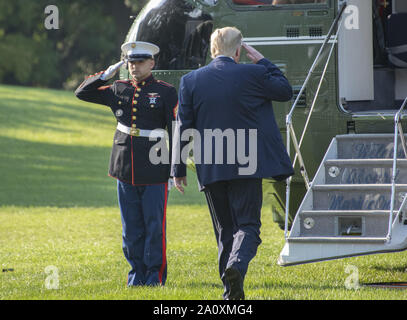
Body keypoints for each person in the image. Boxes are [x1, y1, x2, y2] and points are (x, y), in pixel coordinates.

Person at [171, 27, 294, 300]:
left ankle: (231, 296)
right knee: (248, 227)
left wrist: (177, 170)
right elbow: (285, 91)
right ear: (238, 50)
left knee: (225, 231)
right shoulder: (254, 73)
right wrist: (262, 61)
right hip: (246, 162)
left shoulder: (190, 80)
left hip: (211, 166)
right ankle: (236, 266)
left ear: (212, 50)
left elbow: (183, 127)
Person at [75, 41, 178, 287]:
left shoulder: (165, 91)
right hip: (124, 166)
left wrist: (176, 168)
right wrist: (106, 75)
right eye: (131, 62)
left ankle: (154, 277)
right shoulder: (118, 88)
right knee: (130, 227)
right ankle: (136, 275)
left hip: (154, 166)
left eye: (140, 62)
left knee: (154, 226)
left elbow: (176, 130)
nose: (134, 67)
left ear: (152, 63)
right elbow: (82, 93)